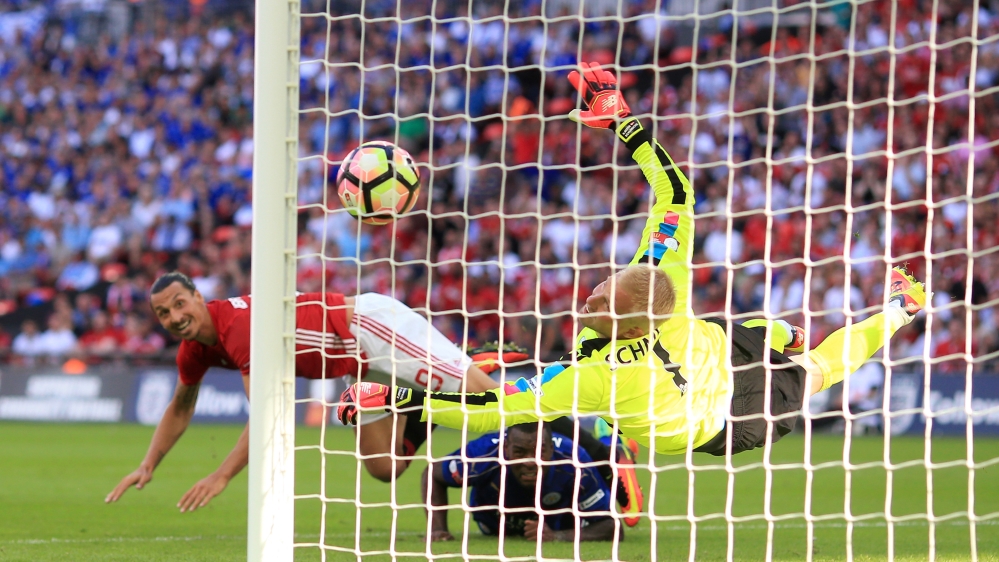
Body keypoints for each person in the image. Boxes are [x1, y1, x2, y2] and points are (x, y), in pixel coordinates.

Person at [337, 63, 928, 464]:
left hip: (727, 406)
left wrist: (402, 400)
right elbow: (677, 195)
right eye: (606, 286)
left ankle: (900, 309)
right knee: (780, 351)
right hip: (709, 377)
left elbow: (494, 410)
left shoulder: (593, 375)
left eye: (603, 299)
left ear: (628, 321)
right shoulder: (660, 282)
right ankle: (799, 330)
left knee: (812, 367)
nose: (593, 294)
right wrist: (622, 120)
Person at [105, 271, 506, 512]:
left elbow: (267, 415)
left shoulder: (239, 330)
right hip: (356, 366)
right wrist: (148, 464)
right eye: (164, 313)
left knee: (490, 401)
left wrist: (221, 475)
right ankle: (422, 401)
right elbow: (180, 408)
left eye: (180, 303)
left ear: (198, 296)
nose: (175, 317)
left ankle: (487, 375)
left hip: (371, 329)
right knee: (384, 468)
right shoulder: (194, 349)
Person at [422, 422, 619, 543]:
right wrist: (438, 530)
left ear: (551, 449)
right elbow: (432, 473)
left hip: (558, 525)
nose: (529, 462)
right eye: (519, 452)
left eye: (539, 452)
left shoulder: (574, 461)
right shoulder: (483, 455)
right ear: (505, 448)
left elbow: (611, 526)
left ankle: (612, 444)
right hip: (494, 527)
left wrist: (558, 536)